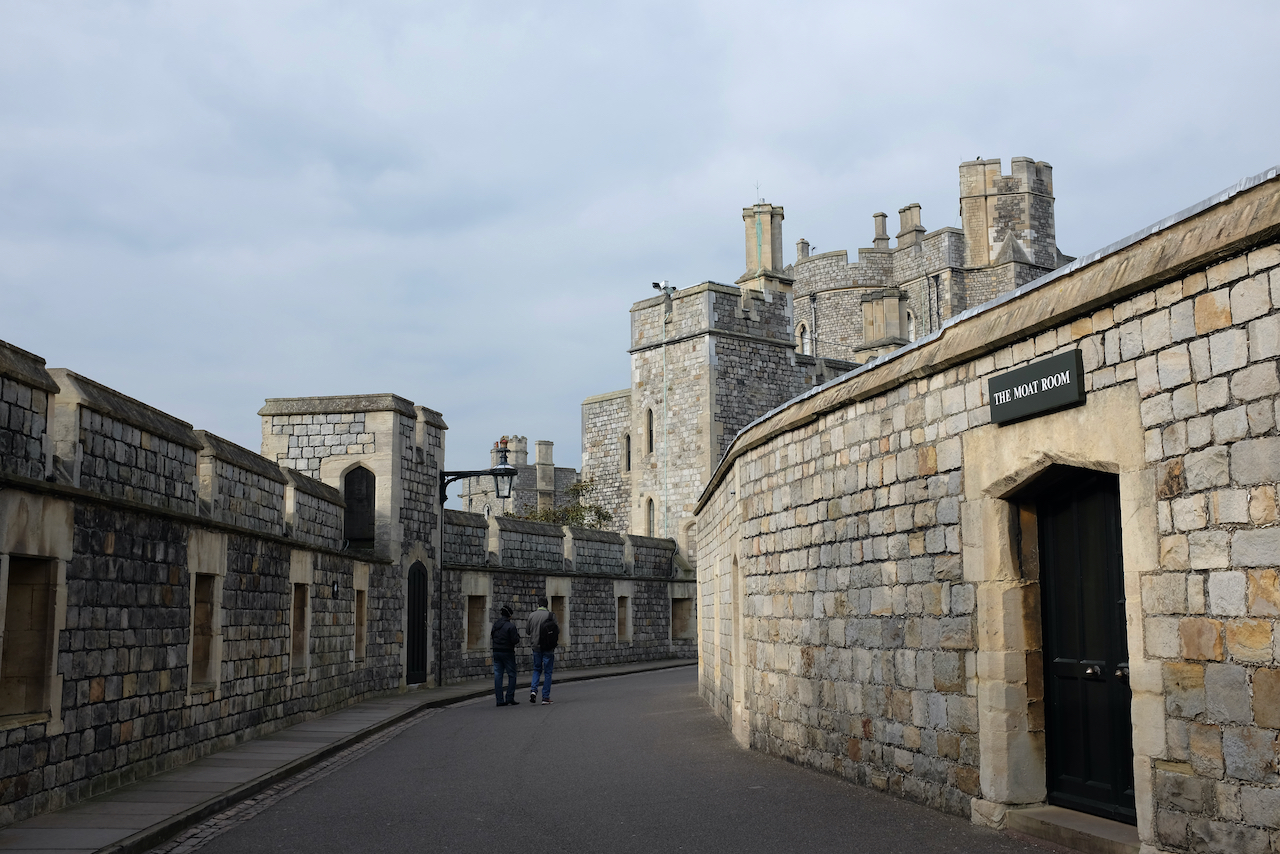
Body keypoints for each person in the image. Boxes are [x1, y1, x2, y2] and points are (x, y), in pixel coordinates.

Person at [525, 596, 559, 705]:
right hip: (548, 648)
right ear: (547, 605)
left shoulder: (531, 615)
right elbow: (556, 630)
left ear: (538, 605)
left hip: (536, 647)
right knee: (548, 672)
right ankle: (545, 697)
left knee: (536, 669)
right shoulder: (551, 615)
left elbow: (528, 631)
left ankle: (533, 691)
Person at [491, 606, 520, 706]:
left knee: (498, 675)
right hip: (507, 652)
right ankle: (509, 697)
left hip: (496, 651)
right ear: (509, 615)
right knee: (512, 674)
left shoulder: (496, 625)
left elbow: (492, 636)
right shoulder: (510, 626)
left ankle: (499, 700)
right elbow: (515, 640)